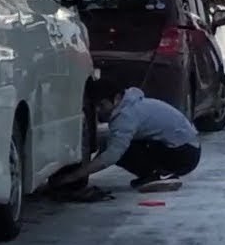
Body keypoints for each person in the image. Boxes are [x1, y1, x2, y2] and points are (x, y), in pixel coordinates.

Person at [53, 78, 201, 190]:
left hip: (184, 154)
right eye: (95, 106)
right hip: (187, 148)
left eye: (102, 105)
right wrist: (83, 172)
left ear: (117, 98)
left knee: (123, 150)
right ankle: (155, 172)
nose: (98, 110)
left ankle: (158, 175)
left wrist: (73, 177)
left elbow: (111, 155)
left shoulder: (126, 116)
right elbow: (107, 146)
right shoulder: (131, 105)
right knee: (116, 142)